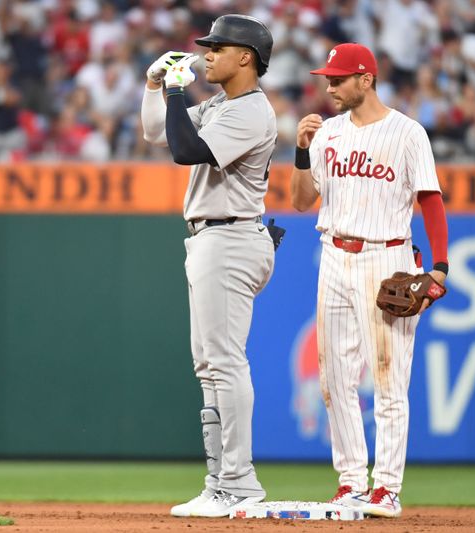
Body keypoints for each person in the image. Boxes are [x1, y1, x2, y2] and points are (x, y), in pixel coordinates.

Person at [290, 43, 449, 518]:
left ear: (367, 79)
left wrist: (439, 267)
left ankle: (387, 488)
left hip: (386, 257)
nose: (329, 86)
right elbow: (301, 202)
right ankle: (351, 481)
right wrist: (300, 152)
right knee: (334, 377)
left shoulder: (407, 132)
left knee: (387, 376)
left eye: (339, 79)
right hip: (333, 256)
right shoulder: (326, 133)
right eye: (328, 79)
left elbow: (431, 200)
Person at [140, 14, 278, 518]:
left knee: (223, 360)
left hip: (231, 235)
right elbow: (158, 132)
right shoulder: (221, 104)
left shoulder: (252, 111)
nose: (208, 54)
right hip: (211, 237)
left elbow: (186, 151)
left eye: (219, 47)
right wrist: (156, 86)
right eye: (208, 46)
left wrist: (178, 93)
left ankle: (239, 481)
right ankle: (220, 480)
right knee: (210, 365)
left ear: (247, 57)